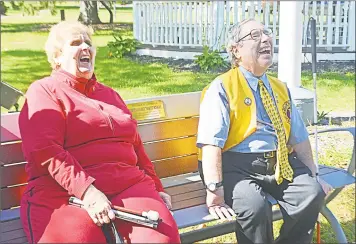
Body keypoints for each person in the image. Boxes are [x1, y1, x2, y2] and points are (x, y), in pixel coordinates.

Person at [19, 21, 180, 243]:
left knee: (162, 239)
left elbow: (135, 146)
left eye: (89, 43)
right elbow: (45, 150)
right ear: (57, 57)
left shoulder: (110, 95)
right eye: (76, 43)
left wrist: (156, 187)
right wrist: (88, 192)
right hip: (65, 193)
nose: (85, 47)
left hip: (128, 184)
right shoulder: (44, 91)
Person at [196, 18, 333, 244]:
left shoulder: (279, 87)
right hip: (235, 166)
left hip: (279, 162)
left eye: (267, 33)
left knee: (311, 194)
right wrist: (214, 190)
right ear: (236, 50)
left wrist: (313, 175)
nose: (267, 38)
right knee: (255, 207)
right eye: (255, 35)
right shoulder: (222, 87)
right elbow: (212, 144)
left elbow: (298, 137)